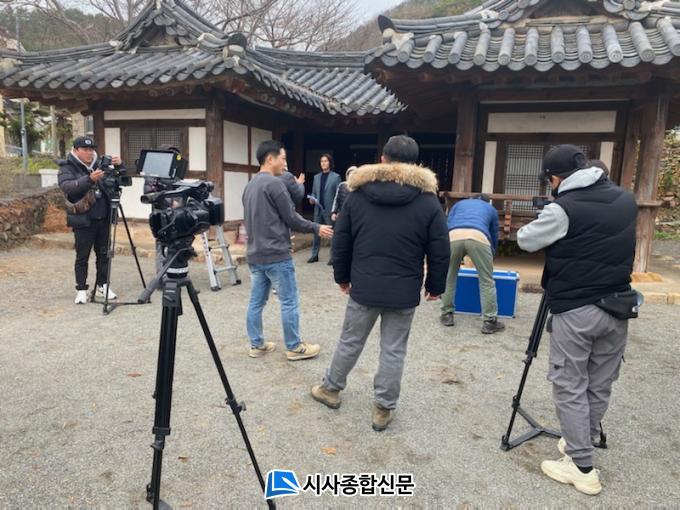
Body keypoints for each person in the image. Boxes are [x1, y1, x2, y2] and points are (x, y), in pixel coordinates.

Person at [517, 145, 637, 496]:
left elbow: (525, 240)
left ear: (555, 178)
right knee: (599, 382)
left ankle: (581, 466)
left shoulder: (564, 207)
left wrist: (548, 215)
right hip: (619, 305)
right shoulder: (625, 199)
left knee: (569, 383)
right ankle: (581, 439)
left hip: (576, 308)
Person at [310, 135, 450, 431]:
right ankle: (383, 409)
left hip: (364, 285)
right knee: (393, 350)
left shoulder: (358, 194)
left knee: (350, 341)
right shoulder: (427, 200)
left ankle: (330, 389)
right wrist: (435, 285)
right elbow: (439, 247)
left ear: (383, 158)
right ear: (415, 164)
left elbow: (342, 240)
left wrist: (342, 276)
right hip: (404, 289)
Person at [242, 140, 333, 361]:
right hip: (276, 254)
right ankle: (294, 346)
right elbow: (292, 218)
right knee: (289, 301)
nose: (285, 163)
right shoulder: (275, 184)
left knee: (256, 302)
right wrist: (316, 227)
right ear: (270, 159)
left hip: (255, 254)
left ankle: (257, 344)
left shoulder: (249, 186)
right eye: (282, 158)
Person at [58, 136, 123, 304]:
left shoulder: (100, 164)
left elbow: (118, 181)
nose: (89, 153)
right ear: (76, 150)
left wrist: (119, 166)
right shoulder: (67, 167)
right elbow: (67, 187)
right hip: (83, 219)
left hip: (103, 217)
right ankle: (81, 289)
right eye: (85, 149)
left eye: (91, 149)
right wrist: (89, 179)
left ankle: (103, 285)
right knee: (82, 256)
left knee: (104, 254)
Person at [439, 194, 505, 334]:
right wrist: (492, 253)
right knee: (486, 281)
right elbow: (494, 233)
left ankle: (447, 315)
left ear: (471, 199)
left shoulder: (458, 205)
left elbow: (447, 223)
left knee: (449, 276)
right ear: (487, 202)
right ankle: (489, 321)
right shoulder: (490, 208)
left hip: (453, 236)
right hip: (478, 236)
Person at [307, 153, 341, 263]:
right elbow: (314, 192)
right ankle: (314, 255)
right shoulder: (316, 177)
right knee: (316, 233)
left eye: (325, 161)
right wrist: (312, 199)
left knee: (331, 233)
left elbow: (339, 195)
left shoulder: (336, 177)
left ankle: (333, 256)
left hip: (330, 210)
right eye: (322, 161)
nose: (323, 163)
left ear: (330, 163)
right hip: (318, 209)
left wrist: (336, 211)